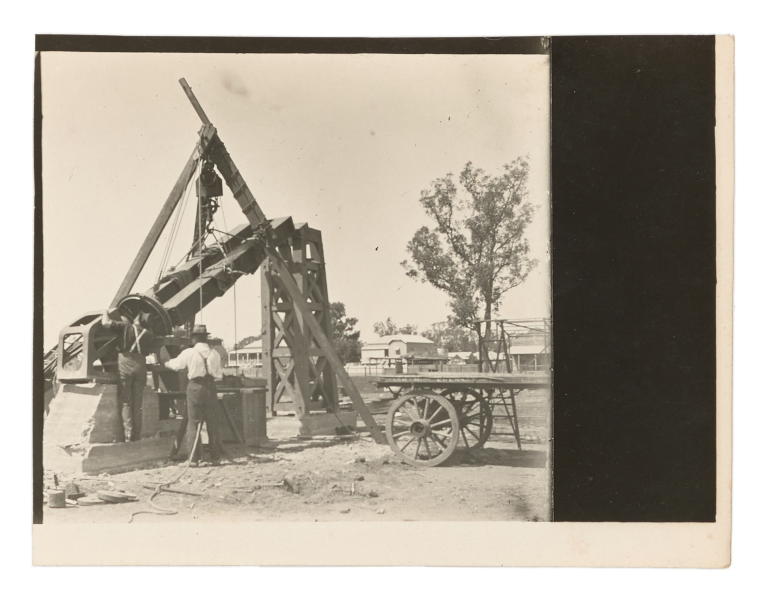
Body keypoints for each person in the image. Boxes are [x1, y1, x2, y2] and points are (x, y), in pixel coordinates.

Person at [164, 324, 226, 464]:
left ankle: (194, 458)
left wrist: (165, 362)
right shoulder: (215, 353)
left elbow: (176, 365)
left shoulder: (189, 352)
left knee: (194, 423)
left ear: (194, 339)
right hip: (211, 387)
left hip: (195, 387)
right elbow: (219, 375)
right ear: (205, 338)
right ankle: (215, 458)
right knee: (212, 423)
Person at [101, 309, 154, 442]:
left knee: (126, 402)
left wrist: (104, 312)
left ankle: (128, 435)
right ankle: (136, 436)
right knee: (138, 404)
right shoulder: (149, 334)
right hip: (141, 365)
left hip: (126, 363)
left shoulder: (126, 327)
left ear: (137, 319)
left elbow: (105, 323)